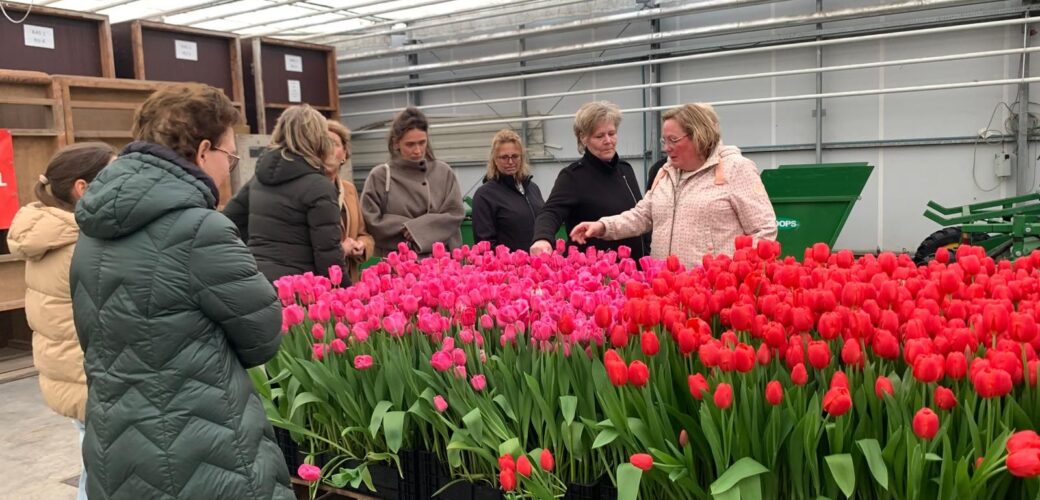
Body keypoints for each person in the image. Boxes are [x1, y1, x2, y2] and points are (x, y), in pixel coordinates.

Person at [69, 84, 293, 499]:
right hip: (203, 441)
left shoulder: (91, 232)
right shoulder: (199, 229)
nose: (229, 169)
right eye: (230, 156)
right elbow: (263, 334)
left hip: (116, 441)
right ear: (203, 150)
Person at [6, 142, 116, 500]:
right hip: (91, 377)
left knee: (95, 462)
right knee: (104, 473)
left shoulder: (47, 231)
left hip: (71, 373)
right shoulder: (76, 241)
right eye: (114, 175)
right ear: (82, 188)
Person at [570, 103, 777, 267]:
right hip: (664, 288)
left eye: (673, 140)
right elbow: (642, 215)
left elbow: (764, 230)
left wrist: (732, 272)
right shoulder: (666, 172)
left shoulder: (735, 169)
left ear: (699, 135)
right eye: (664, 141)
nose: (667, 148)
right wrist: (602, 226)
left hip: (712, 292)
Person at [223, 105, 345, 281]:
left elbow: (229, 221)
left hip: (257, 280)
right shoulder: (320, 187)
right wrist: (346, 292)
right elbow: (328, 254)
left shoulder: (258, 179)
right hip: (299, 288)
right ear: (318, 138)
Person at [529, 101, 648, 259]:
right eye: (599, 136)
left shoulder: (625, 170)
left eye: (612, 133)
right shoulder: (573, 176)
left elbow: (639, 215)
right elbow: (550, 212)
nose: (608, 141)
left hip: (635, 269)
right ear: (583, 138)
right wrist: (542, 238)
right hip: (597, 273)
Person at [361, 107, 464, 257]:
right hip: (398, 264)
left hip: (441, 264)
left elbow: (455, 214)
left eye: (422, 143)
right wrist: (404, 228)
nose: (417, 150)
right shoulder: (381, 176)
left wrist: (417, 229)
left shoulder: (443, 172)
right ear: (396, 143)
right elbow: (371, 219)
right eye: (410, 144)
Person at [471, 129, 545, 251]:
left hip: (539, 264)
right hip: (509, 268)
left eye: (515, 156)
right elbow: (485, 244)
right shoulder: (485, 195)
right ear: (495, 159)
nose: (510, 162)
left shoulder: (532, 188)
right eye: (504, 157)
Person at [327, 119, 374, 282]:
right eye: (323, 143)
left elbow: (364, 234)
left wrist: (361, 245)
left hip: (349, 279)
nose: (328, 149)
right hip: (322, 285)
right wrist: (341, 249)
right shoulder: (307, 190)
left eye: (333, 143)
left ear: (345, 153)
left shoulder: (348, 189)